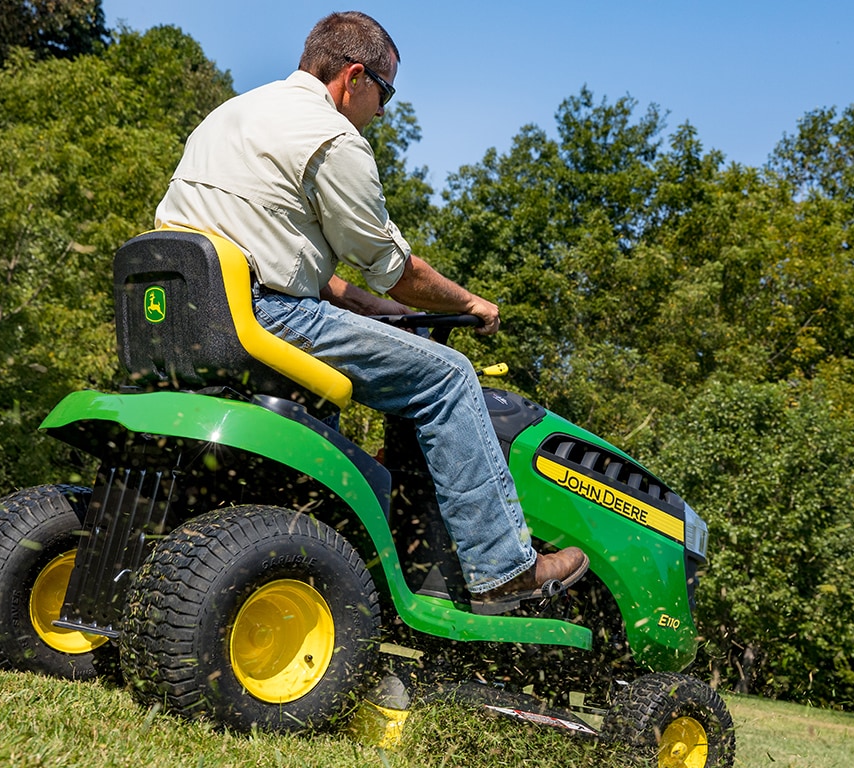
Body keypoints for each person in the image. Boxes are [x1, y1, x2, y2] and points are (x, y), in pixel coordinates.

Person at [153, 11, 587, 615]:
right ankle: (502, 567)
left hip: (180, 316)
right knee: (449, 376)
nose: (383, 111)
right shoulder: (330, 137)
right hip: (264, 315)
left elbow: (272, 251)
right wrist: (470, 303)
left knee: (419, 360)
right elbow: (398, 271)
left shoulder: (232, 115)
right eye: (385, 93)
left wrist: (373, 310)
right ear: (354, 77)